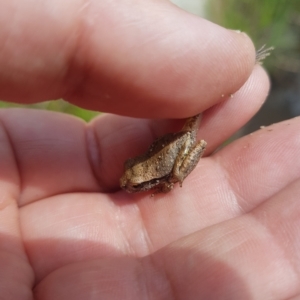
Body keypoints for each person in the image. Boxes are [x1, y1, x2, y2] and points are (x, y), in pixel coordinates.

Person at [0, 0, 299, 299]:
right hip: (168, 146)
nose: (124, 185)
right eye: (128, 182)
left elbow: (167, 183)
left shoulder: (149, 179)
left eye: (130, 184)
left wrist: (166, 183)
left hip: (177, 150)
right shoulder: (139, 174)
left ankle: (239, 81)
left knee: (177, 173)